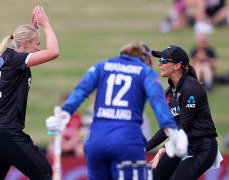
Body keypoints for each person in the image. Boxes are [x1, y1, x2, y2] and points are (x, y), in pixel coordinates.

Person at [46, 43, 188, 180]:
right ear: (145, 60)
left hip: (96, 142)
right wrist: (172, 130)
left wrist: (63, 116)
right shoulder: (145, 72)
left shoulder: (101, 66)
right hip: (127, 142)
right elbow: (158, 102)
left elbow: (80, 92)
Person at [0, 6, 59, 180]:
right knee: (45, 173)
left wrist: (33, 32)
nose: (39, 49)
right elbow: (54, 52)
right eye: (37, 44)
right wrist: (45, 24)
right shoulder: (15, 60)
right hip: (7, 135)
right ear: (25, 44)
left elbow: (27, 46)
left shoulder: (8, 58)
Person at [147, 45, 222, 180]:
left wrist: (164, 148)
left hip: (202, 147)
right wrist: (144, 147)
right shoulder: (170, 92)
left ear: (177, 65)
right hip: (182, 144)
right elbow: (169, 127)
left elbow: (183, 124)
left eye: (164, 60)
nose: (159, 64)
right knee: (152, 177)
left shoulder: (192, 88)